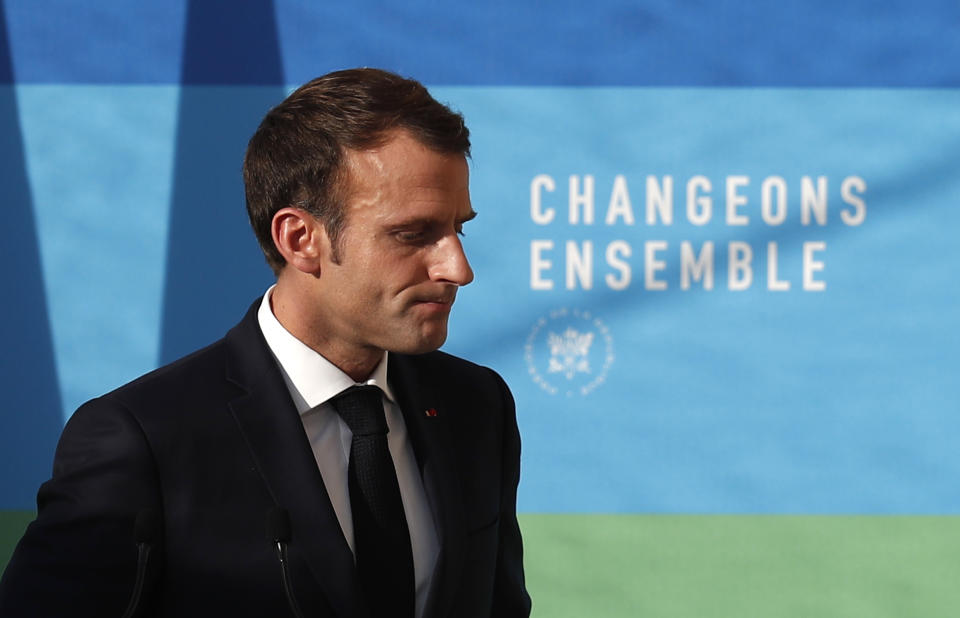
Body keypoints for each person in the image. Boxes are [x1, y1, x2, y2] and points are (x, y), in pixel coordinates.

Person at [0, 68, 531, 618]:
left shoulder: (478, 406)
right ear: (300, 239)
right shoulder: (144, 441)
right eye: (413, 234)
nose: (458, 268)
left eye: (457, 229)